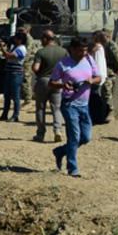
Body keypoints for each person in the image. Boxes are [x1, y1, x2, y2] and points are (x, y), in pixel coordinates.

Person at [50, 37, 102, 178]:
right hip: (69, 104)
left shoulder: (89, 60)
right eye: (80, 50)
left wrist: (92, 80)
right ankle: (72, 168)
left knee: (85, 137)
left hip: (84, 105)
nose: (83, 53)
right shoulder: (62, 64)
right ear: (72, 49)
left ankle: (60, 151)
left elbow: (99, 78)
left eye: (85, 50)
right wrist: (63, 85)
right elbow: (51, 83)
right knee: (74, 137)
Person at [31, 30, 67, 143]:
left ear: (45, 39)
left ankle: (40, 134)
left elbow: (36, 68)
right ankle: (58, 130)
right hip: (58, 82)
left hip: (43, 81)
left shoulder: (41, 52)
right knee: (56, 108)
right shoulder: (63, 52)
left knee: (40, 108)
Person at [0, 33, 28, 122]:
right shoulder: (14, 47)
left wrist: (2, 47)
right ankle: (5, 114)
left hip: (16, 74)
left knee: (15, 95)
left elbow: (8, 56)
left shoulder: (21, 49)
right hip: (10, 72)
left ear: (20, 40)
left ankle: (15, 115)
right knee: (7, 95)